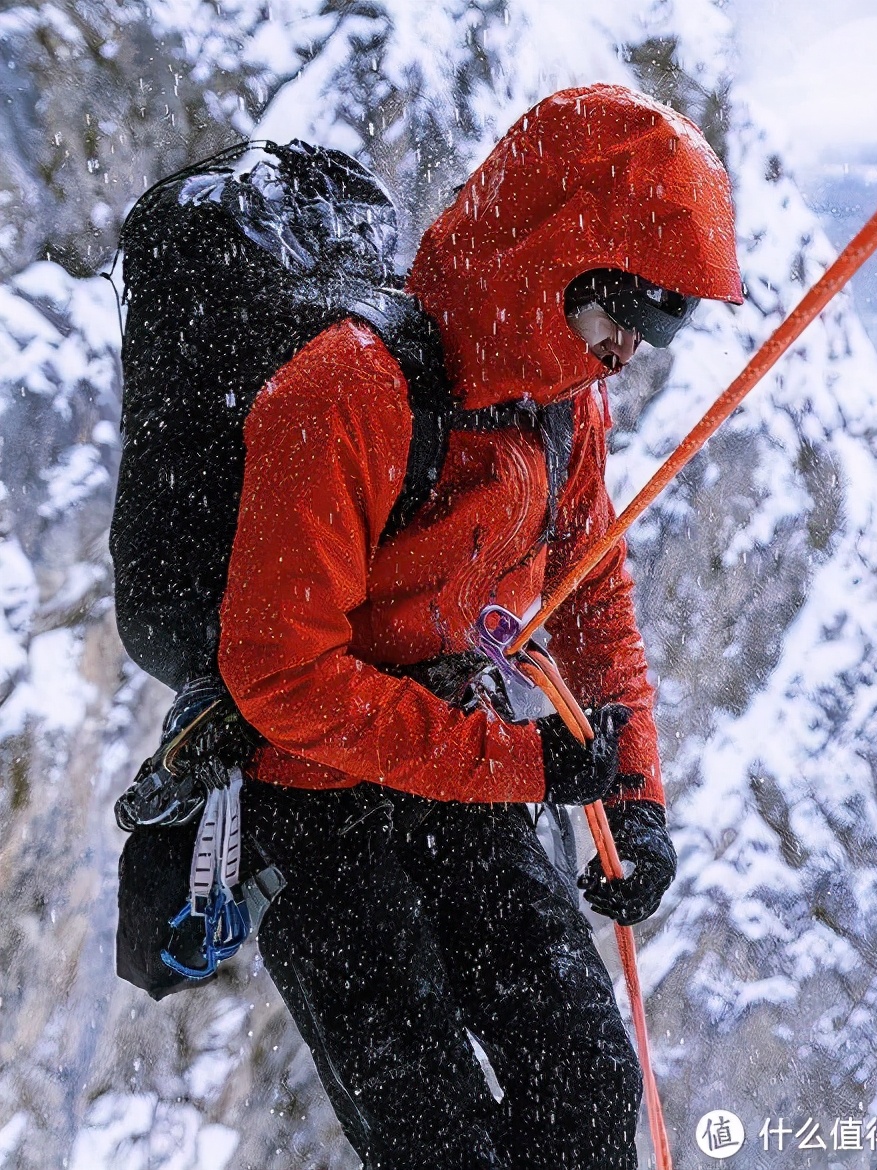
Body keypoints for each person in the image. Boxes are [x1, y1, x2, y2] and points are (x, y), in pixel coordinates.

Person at [218, 84, 742, 1169]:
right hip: (320, 805)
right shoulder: (341, 395)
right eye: (619, 321)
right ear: (552, 266)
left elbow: (594, 603)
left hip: (463, 769)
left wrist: (633, 797)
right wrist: (512, 763)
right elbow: (280, 674)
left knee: (589, 1092)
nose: (625, 357)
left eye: (651, 334)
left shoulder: (560, 409)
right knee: (437, 1141)